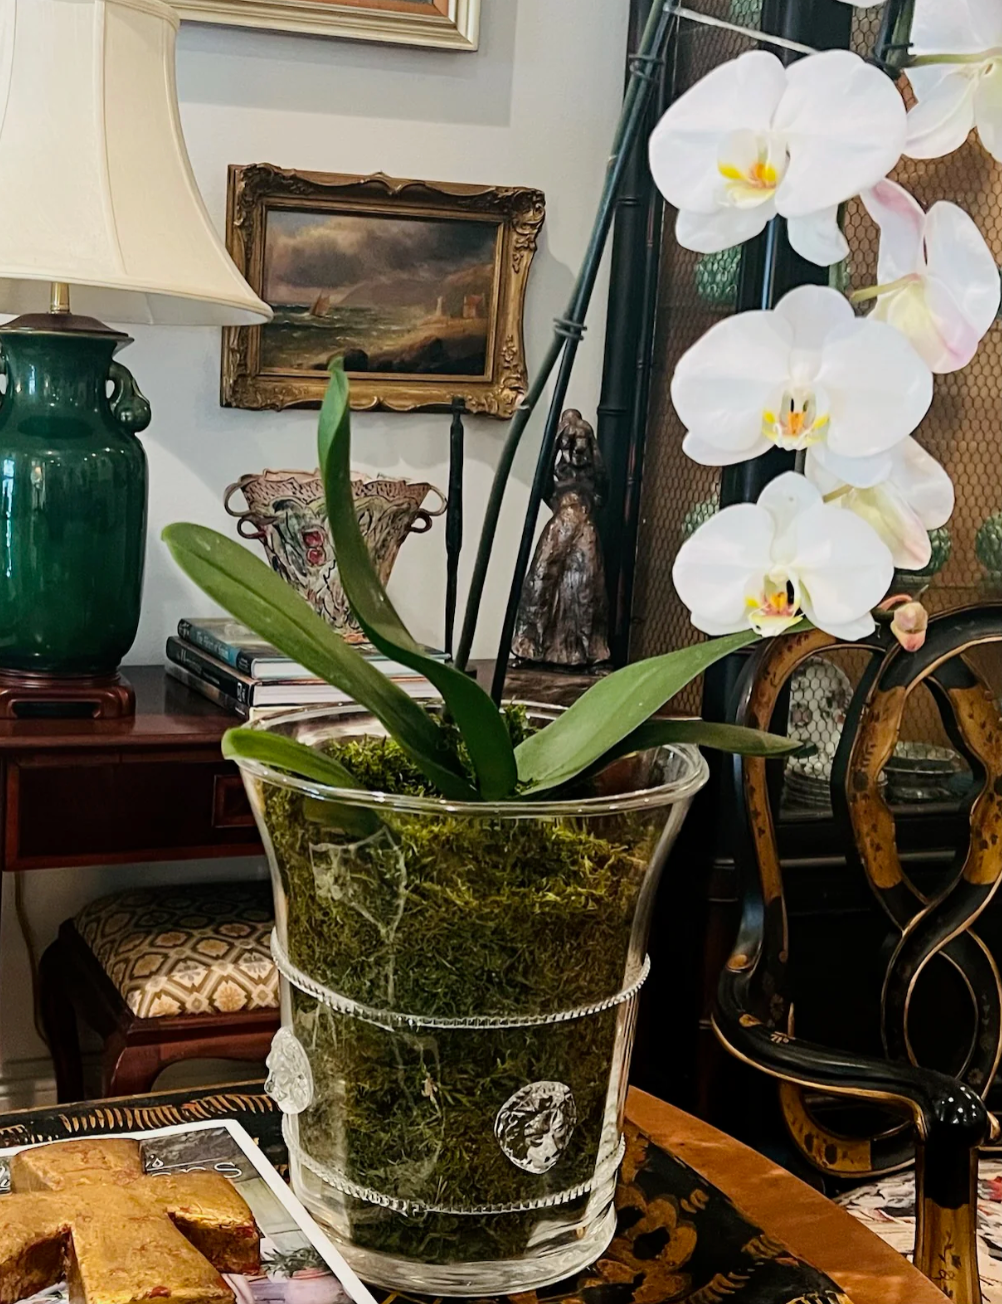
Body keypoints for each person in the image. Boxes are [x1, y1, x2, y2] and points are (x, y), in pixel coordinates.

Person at [512, 409, 611, 667]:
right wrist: (554, 442)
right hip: (558, 529)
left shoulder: (592, 483)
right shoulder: (557, 483)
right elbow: (541, 487)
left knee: (587, 589)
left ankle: (589, 652)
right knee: (541, 581)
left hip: (584, 530)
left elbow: (604, 488)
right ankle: (529, 646)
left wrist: (590, 440)